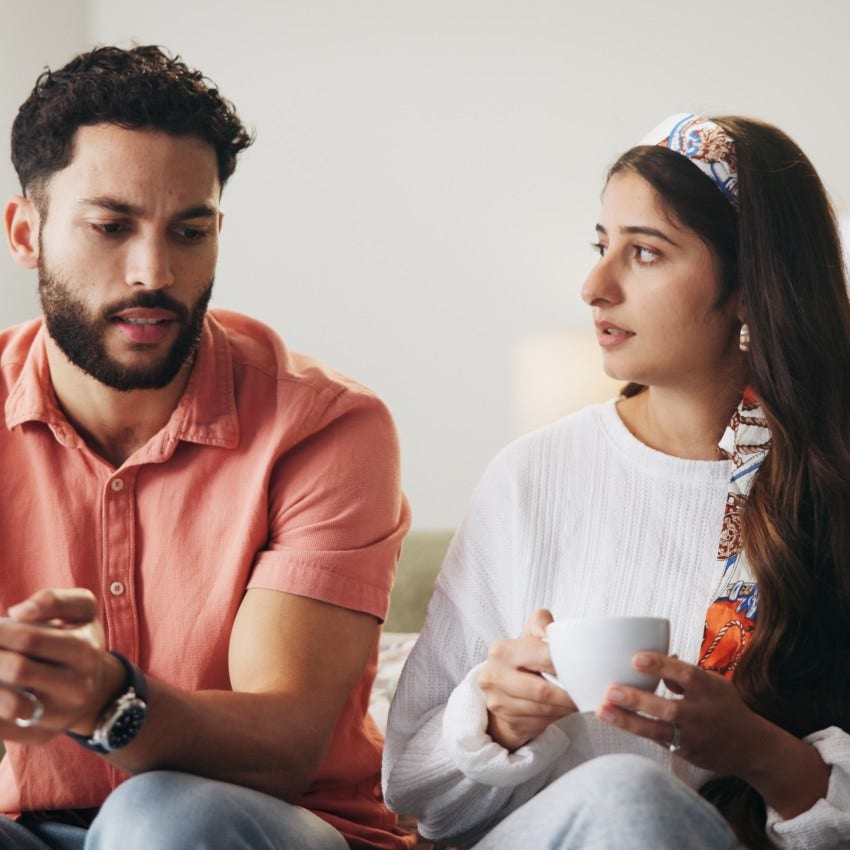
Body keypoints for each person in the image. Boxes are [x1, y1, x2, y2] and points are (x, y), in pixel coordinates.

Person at [382, 112, 850, 850]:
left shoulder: (831, 488)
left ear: (751, 286)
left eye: (645, 253)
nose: (594, 286)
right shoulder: (533, 477)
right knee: (621, 793)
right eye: (602, 246)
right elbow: (413, 792)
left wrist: (758, 753)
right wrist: (497, 722)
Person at [0, 44, 413, 850]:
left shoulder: (325, 429)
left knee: (161, 817)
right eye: (111, 227)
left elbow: (281, 747)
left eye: (189, 231)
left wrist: (103, 699)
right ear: (25, 232)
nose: (153, 271)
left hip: (248, 824)